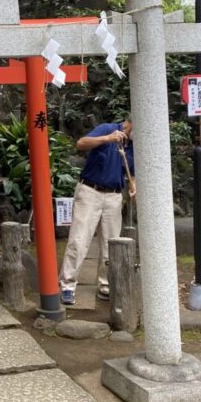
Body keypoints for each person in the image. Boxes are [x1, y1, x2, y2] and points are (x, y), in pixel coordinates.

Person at [58, 117, 135, 305]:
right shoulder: (107, 128)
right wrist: (108, 138)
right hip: (90, 191)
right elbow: (81, 143)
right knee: (79, 239)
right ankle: (67, 285)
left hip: (114, 196)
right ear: (130, 123)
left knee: (111, 242)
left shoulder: (132, 145)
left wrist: (134, 186)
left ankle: (106, 285)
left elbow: (131, 172)